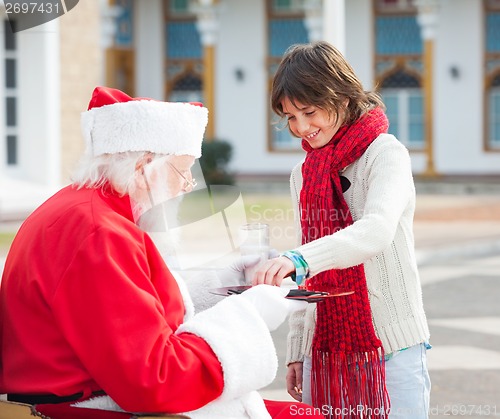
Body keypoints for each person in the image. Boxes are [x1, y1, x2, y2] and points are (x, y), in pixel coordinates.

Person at [0, 86, 325, 419]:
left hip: (87, 397)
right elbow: (155, 381)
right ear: (144, 167)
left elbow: (134, 312)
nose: (188, 185)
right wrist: (250, 313)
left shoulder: (89, 210)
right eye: (183, 170)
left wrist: (222, 286)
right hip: (86, 408)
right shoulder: (100, 232)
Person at [254, 41, 431, 418]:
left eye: (309, 111)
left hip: (390, 348)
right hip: (326, 352)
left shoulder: (386, 154)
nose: (301, 128)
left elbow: (376, 231)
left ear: (341, 96)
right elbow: (309, 265)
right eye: (289, 117)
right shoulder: (305, 172)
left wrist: (298, 258)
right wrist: (298, 351)